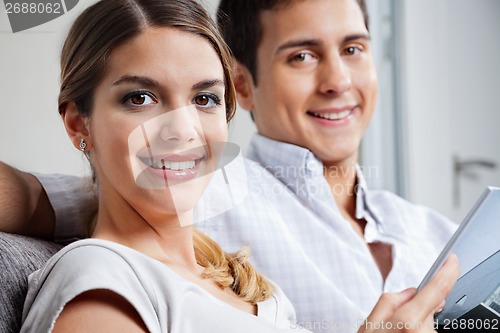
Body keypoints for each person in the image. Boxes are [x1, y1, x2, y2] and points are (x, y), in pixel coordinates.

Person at [1, 0, 458, 332]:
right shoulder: (101, 280)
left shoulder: (253, 290)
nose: (181, 129)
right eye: (140, 98)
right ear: (79, 122)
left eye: (204, 99)